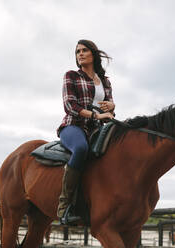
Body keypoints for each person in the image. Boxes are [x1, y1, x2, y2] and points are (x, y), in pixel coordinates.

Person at [56, 39, 115, 224]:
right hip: (73, 126)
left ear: (93, 54)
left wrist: (112, 106)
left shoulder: (104, 81)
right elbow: (70, 105)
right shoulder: (71, 75)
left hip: (98, 129)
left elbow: (109, 110)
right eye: (77, 52)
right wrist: (95, 116)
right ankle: (64, 206)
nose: (80, 54)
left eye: (84, 50)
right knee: (81, 148)